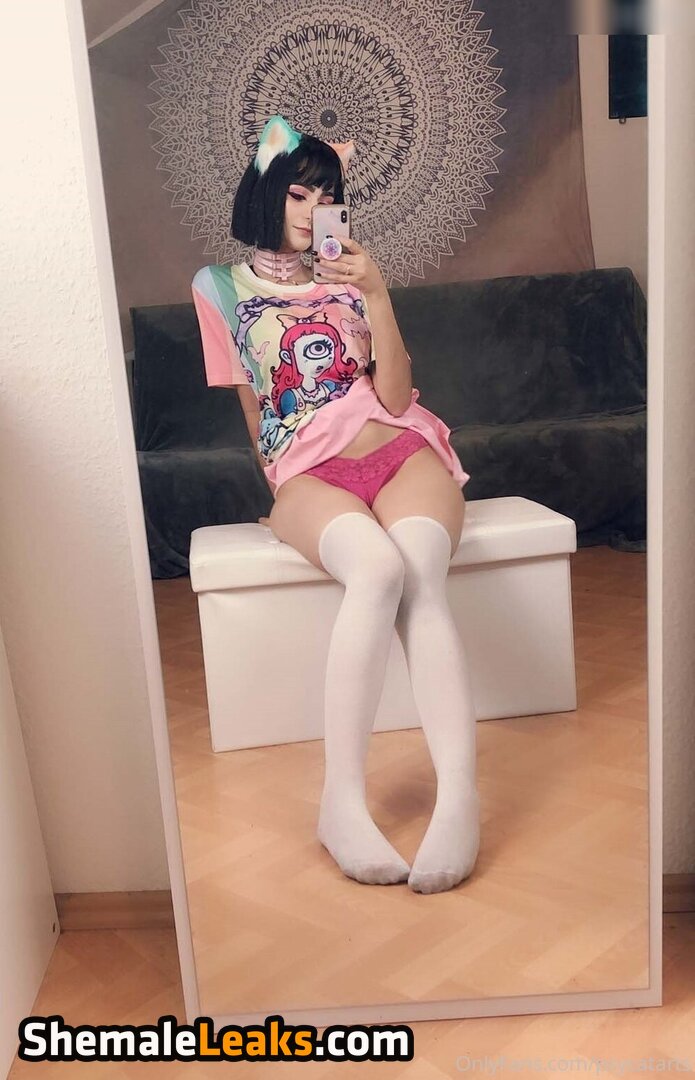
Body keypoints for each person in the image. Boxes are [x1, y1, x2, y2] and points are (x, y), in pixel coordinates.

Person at [191, 115, 480, 894]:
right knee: (376, 570)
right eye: (298, 192)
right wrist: (281, 492)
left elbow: (395, 396)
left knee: (418, 572)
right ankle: (341, 804)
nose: (313, 208)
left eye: (326, 195)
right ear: (265, 192)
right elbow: (254, 406)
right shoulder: (217, 287)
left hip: (398, 451)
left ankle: (459, 797)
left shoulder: (350, 273)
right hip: (309, 474)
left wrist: (375, 291)